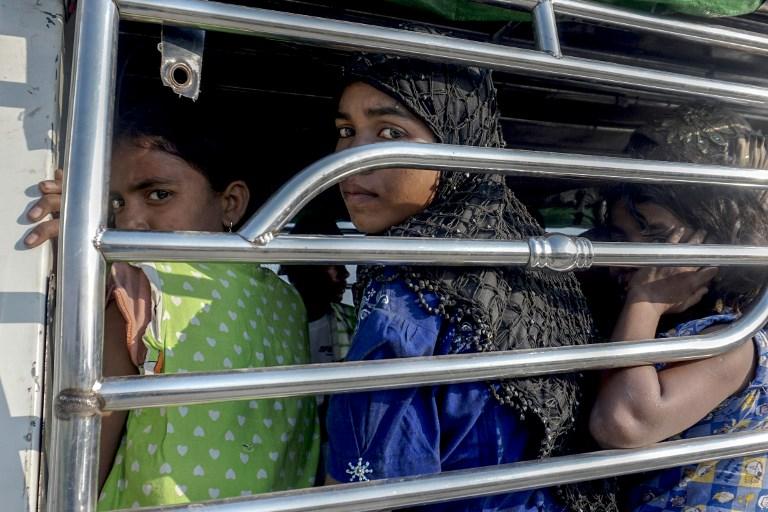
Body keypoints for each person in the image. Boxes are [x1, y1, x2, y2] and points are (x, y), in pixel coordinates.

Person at [324, 54, 616, 511]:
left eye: (389, 135)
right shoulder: (529, 265)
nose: (352, 159)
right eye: (346, 132)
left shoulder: (403, 296)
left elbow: (367, 489)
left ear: (458, 144)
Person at [26, 106, 319, 509]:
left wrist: (76, 252)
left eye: (158, 194)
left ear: (231, 203)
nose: (130, 222)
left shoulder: (145, 286)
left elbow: (83, 466)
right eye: (114, 202)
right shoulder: (286, 299)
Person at [588, 105, 768, 511]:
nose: (633, 260)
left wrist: (645, 300)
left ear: (719, 239)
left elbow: (623, 423)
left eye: (657, 236)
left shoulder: (732, 341)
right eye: (621, 238)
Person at [281, 215, 356, 364]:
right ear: (307, 269)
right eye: (333, 264)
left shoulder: (355, 322)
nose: (345, 273)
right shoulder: (274, 326)